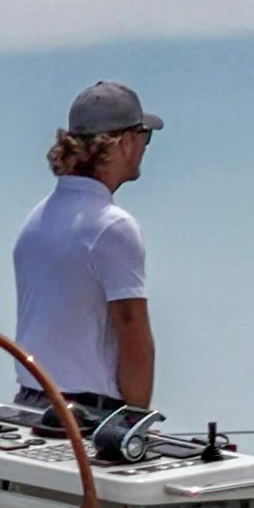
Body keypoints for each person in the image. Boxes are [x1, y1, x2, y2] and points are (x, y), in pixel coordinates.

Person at [12, 80, 162, 410]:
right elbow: (132, 334)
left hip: (28, 407)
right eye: (144, 137)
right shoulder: (114, 227)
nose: (145, 147)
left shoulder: (36, 221)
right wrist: (134, 424)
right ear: (126, 143)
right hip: (85, 417)